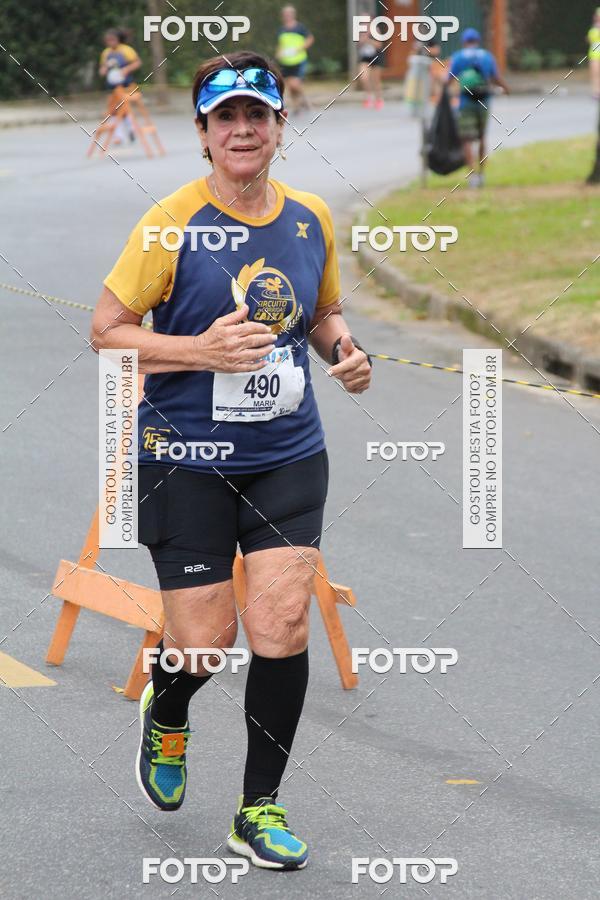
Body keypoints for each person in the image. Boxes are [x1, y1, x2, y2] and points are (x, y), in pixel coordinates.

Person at [91, 51, 372, 871]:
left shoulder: (310, 216)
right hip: (183, 456)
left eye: (258, 115)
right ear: (204, 135)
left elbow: (321, 311)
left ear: (281, 126)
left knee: (281, 621)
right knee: (205, 644)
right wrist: (198, 349)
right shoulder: (169, 222)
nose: (243, 130)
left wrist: (346, 351)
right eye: (226, 119)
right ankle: (169, 707)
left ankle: (258, 809)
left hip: (288, 451)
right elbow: (107, 329)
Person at [447, 27, 509, 188]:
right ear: (478, 41)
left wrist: (442, 94)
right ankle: (482, 174)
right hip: (484, 100)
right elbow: (495, 78)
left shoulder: (459, 57)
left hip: (465, 101)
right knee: (482, 137)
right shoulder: (487, 56)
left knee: (466, 139)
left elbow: (449, 79)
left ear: (464, 42)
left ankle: (472, 175)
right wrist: (507, 89)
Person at [98, 28, 141, 144]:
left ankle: (131, 129)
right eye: (108, 40)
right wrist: (103, 70)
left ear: (118, 40)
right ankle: (118, 136)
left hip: (126, 85)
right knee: (113, 111)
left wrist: (126, 69)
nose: (110, 43)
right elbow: (103, 67)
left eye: (112, 40)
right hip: (113, 87)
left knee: (125, 109)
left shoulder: (126, 50)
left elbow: (137, 62)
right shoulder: (106, 53)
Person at [275, 6, 314, 113]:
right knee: (289, 85)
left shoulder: (300, 28)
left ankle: (305, 100)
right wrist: (278, 54)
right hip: (286, 61)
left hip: (298, 60)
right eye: (285, 14)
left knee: (295, 83)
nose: (287, 16)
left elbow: (310, 39)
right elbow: (280, 45)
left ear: (293, 15)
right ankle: (296, 106)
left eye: (289, 14)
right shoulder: (281, 30)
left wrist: (300, 48)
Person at [356, 16, 384, 109]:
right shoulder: (360, 31)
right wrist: (362, 40)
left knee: (375, 81)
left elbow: (379, 45)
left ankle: (378, 99)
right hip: (365, 58)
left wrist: (368, 40)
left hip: (375, 57)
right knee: (363, 77)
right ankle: (368, 97)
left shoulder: (376, 30)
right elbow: (358, 44)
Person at [588, 8, 600, 100]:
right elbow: (590, 39)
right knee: (595, 74)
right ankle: (596, 92)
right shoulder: (594, 28)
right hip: (594, 55)